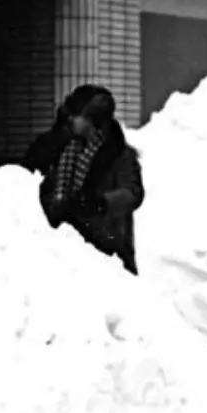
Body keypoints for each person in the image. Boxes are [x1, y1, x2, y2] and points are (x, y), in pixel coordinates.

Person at [39, 84, 145, 276]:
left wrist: (100, 203)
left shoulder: (120, 155)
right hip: (67, 253)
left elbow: (132, 193)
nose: (70, 120)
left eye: (76, 115)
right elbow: (48, 187)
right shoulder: (67, 150)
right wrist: (55, 208)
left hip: (109, 253)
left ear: (93, 120)